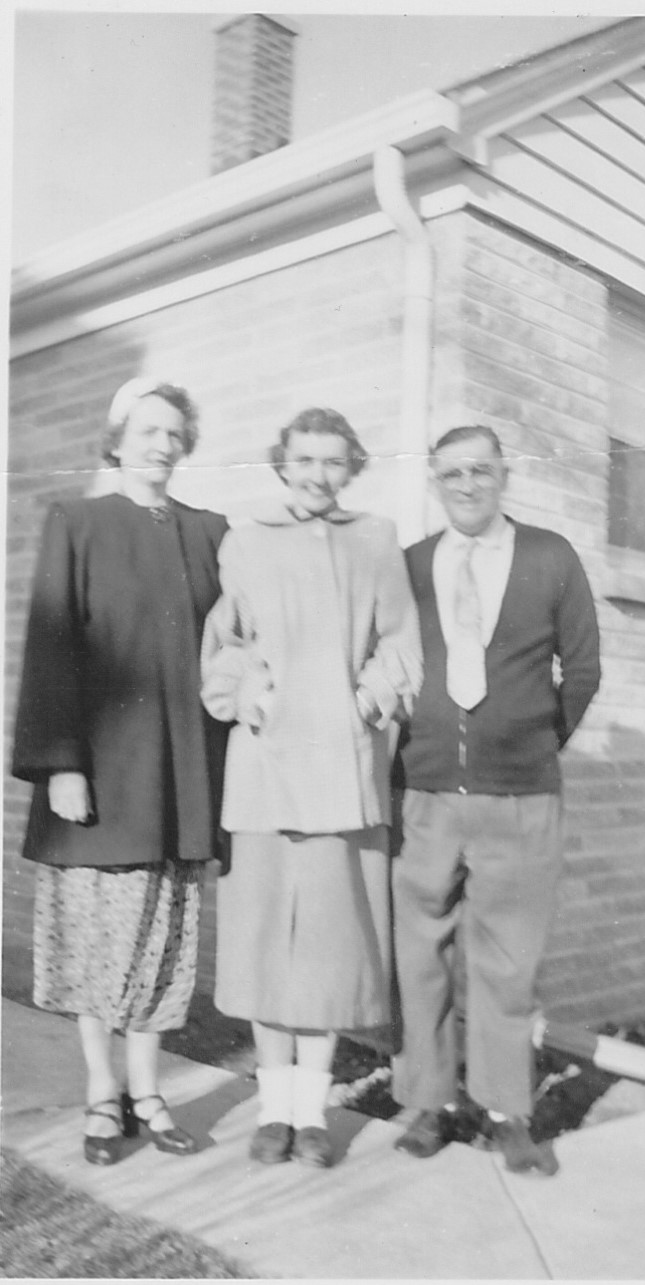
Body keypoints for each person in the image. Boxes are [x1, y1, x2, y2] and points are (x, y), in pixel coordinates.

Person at [12, 377, 229, 1166]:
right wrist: (60, 764)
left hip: (182, 780)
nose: (160, 443)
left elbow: (237, 646)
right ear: (118, 438)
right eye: (146, 429)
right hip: (100, 780)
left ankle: (149, 1090)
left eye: (174, 430)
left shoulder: (212, 532)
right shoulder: (78, 520)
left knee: (164, 945)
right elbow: (51, 647)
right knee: (95, 947)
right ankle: (104, 1092)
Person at [201, 407, 422, 1168]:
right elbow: (222, 642)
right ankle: (274, 1111)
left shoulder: (376, 539)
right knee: (267, 946)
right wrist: (245, 695)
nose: (318, 473)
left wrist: (369, 699)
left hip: (341, 769)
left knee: (328, 950)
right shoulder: (246, 539)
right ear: (282, 463)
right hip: (264, 770)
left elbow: (400, 643)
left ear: (352, 466)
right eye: (304, 459)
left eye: (334, 460)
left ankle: (313, 1113)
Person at [391, 424, 600, 1175]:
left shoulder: (549, 555)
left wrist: (532, 742)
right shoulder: (412, 565)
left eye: (481, 470)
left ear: (504, 473)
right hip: (428, 792)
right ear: (434, 482)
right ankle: (428, 1101)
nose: (468, 485)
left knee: (508, 961)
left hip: (520, 795)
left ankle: (508, 1110)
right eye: (451, 474)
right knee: (420, 954)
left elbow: (581, 668)